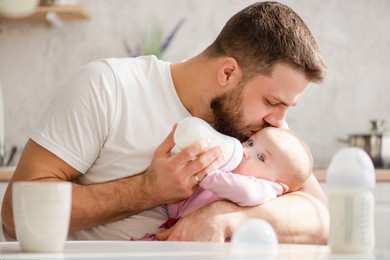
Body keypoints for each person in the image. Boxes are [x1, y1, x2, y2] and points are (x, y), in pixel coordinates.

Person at [1, 1, 329, 243]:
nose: (279, 121)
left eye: (286, 107)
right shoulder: (109, 87)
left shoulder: (261, 130)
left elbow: (319, 217)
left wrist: (226, 218)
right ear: (228, 72)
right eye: (273, 102)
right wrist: (148, 190)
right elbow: (17, 214)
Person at [132, 126, 313, 240]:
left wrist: (207, 175)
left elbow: (245, 192)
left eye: (261, 157)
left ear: (279, 185)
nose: (245, 152)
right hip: (177, 231)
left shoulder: (265, 189)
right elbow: (176, 207)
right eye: (250, 143)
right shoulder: (226, 173)